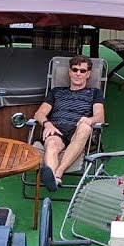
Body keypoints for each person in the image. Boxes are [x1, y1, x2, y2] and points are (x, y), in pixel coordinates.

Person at [32, 55, 105, 191]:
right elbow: (39, 113)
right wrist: (48, 124)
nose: (78, 74)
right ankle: (55, 181)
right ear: (70, 72)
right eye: (75, 69)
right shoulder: (56, 92)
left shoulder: (94, 93)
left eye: (82, 71)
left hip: (77, 131)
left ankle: (57, 174)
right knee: (52, 143)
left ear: (88, 74)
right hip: (57, 129)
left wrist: (90, 120)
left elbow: (100, 117)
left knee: (85, 127)